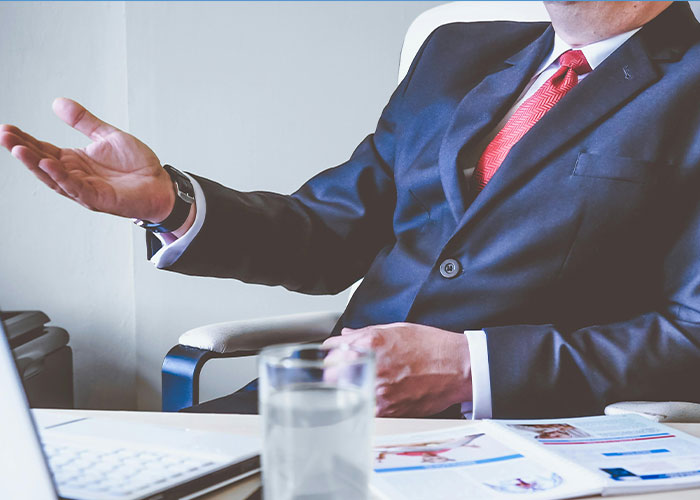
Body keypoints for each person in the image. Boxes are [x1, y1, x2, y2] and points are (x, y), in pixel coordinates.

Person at [2, 1, 699, 419]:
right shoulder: (456, 52)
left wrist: (468, 367)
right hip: (326, 405)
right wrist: (170, 201)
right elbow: (330, 231)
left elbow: (690, 336)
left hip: (520, 433)